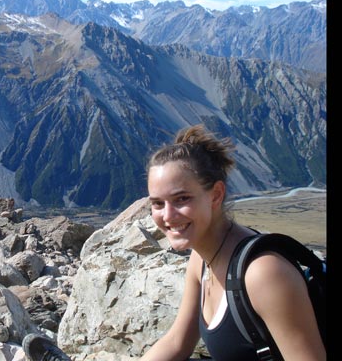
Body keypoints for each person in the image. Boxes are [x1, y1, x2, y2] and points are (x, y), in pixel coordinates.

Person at [139, 124, 325, 361]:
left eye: (182, 199)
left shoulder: (263, 273)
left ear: (215, 194)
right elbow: (177, 342)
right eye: (157, 203)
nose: (167, 215)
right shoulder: (201, 260)